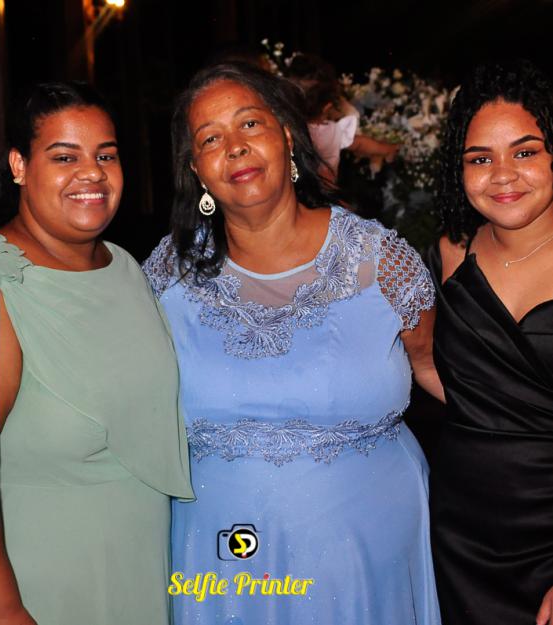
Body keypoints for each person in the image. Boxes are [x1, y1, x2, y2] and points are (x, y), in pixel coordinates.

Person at [143, 62, 443, 624]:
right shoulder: (166, 276)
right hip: (223, 561)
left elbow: (439, 370)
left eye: (249, 124)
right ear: (196, 169)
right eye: (210, 138)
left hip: (363, 553)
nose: (234, 147)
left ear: (285, 134)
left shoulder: (380, 262)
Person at [0, 81, 193, 625]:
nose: (91, 173)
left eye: (106, 156)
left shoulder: (124, 268)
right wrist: (4, 609)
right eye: (65, 157)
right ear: (20, 166)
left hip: (136, 571)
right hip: (34, 590)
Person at [429, 60, 553, 625]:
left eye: (525, 152)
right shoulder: (450, 251)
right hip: (461, 534)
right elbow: (430, 367)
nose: (503, 175)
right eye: (480, 159)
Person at [286, 53, 400, 183]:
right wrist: (388, 149)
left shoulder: (283, 129)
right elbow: (361, 144)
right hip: (323, 192)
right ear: (327, 108)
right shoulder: (332, 132)